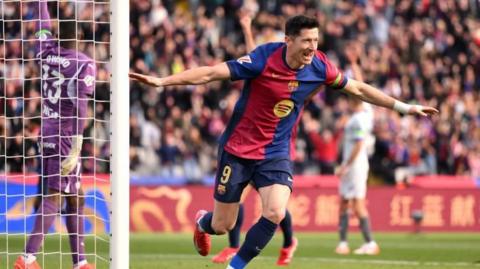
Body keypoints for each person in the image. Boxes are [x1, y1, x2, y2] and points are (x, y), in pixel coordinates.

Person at [130, 15, 438, 269]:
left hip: (275, 152)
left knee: (275, 212)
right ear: (288, 39)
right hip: (237, 150)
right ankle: (203, 222)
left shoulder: (320, 66)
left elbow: (358, 89)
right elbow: (211, 73)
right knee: (223, 224)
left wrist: (405, 107)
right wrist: (162, 81)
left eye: (316, 41)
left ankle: (236, 266)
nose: (312, 48)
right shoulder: (263, 58)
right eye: (306, 41)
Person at [211, 12, 297, 266]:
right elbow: (253, 59)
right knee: (247, 199)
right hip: (248, 141)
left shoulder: (295, 75)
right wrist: (247, 29)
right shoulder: (263, 65)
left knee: (274, 204)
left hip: (275, 142)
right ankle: (235, 245)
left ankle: (287, 241)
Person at [15, 1, 96, 269]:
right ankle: (28, 258)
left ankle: (80, 262)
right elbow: (82, 106)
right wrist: (77, 145)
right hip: (66, 137)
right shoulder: (84, 63)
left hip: (46, 133)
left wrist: (41, 3)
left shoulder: (46, 53)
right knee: (55, 196)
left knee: (77, 195)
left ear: (58, 36)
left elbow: (42, 28)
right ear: (82, 36)